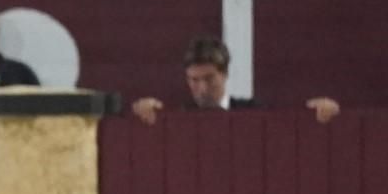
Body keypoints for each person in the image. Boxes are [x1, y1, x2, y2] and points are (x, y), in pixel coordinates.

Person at [128, 35, 341, 122]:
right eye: (194, 80)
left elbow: (291, 121)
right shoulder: (175, 116)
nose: (201, 88)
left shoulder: (254, 112)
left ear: (225, 74)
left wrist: (321, 109)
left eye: (209, 79)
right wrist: (141, 111)